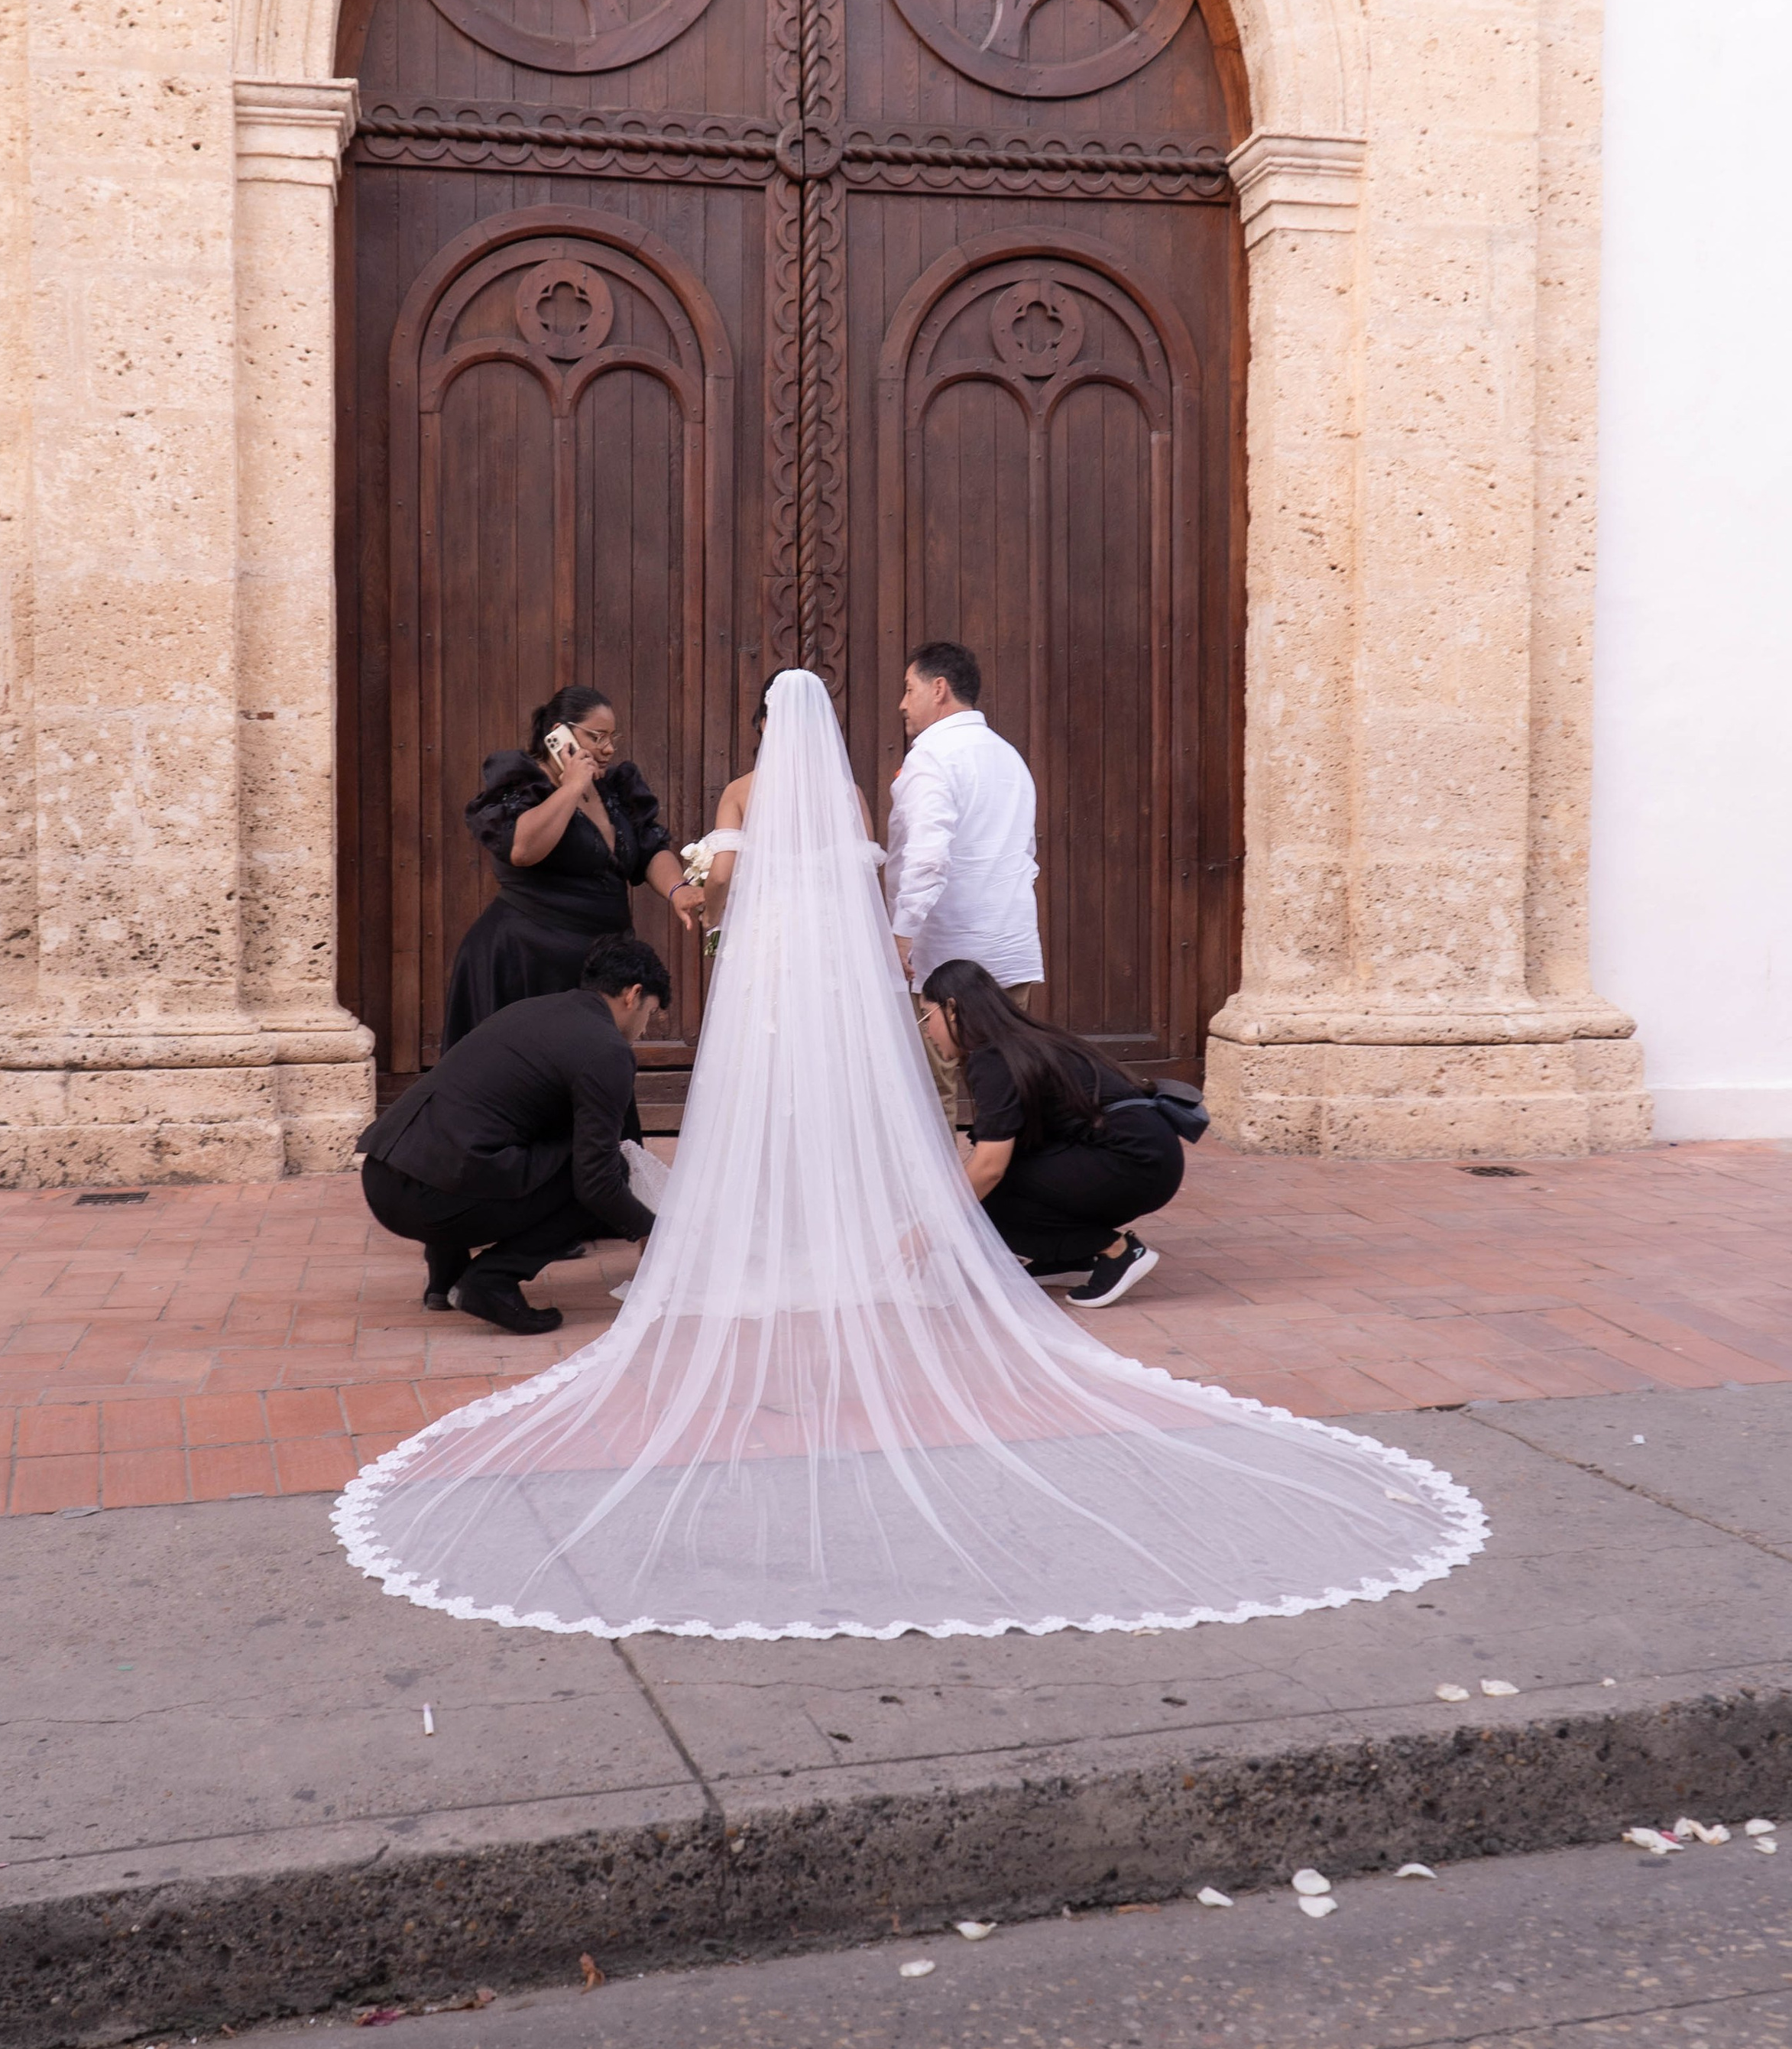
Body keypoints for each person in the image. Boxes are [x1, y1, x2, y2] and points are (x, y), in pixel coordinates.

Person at [333, 672, 1484, 1642]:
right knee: (817, 1111)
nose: (606, 752)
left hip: (766, 979)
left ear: (761, 737)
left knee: (757, 1117)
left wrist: (707, 892)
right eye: (597, 740)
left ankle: (722, 1236)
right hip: (819, 980)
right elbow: (843, 876)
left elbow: (715, 886)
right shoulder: (835, 789)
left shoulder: (743, 790)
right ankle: (840, 1232)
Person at [357, 935, 668, 1336]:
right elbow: (597, 1182)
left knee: (489, 1135)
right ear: (634, 995)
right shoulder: (607, 1050)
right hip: (434, 1201)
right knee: (604, 1173)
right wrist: (653, 1232)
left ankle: (446, 1278)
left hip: (383, 1177)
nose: (644, 1030)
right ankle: (491, 1281)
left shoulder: (533, 1010)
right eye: (652, 1013)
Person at [441, 686, 704, 1052]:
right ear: (558, 734)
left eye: (613, 738)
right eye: (597, 737)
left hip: (594, 965)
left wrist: (678, 889)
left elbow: (648, 847)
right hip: (527, 960)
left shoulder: (614, 788)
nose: (609, 748)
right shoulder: (523, 783)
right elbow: (522, 849)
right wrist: (571, 786)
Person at [918, 959, 1182, 1308]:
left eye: (926, 1016)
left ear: (952, 1009)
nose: (925, 1030)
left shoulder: (993, 1057)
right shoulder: (1018, 1040)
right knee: (988, 1188)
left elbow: (989, 1167)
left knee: (987, 1196)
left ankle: (1119, 1251)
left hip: (1134, 1164)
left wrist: (928, 1227)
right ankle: (1070, 1257)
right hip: (1151, 1157)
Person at [884, 642, 1042, 1129]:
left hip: (946, 957)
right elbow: (1026, 855)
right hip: (1011, 947)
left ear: (939, 689)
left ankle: (943, 1202)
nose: (902, 704)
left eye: (909, 690)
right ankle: (1010, 1195)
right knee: (1009, 1084)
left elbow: (928, 857)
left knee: (932, 1091)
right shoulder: (1008, 756)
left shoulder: (932, 757)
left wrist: (903, 932)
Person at [699, 666, 876, 939]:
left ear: (765, 723)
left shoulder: (739, 792)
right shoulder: (850, 794)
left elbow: (722, 875)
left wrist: (711, 916)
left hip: (767, 936)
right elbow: (866, 880)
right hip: (833, 935)